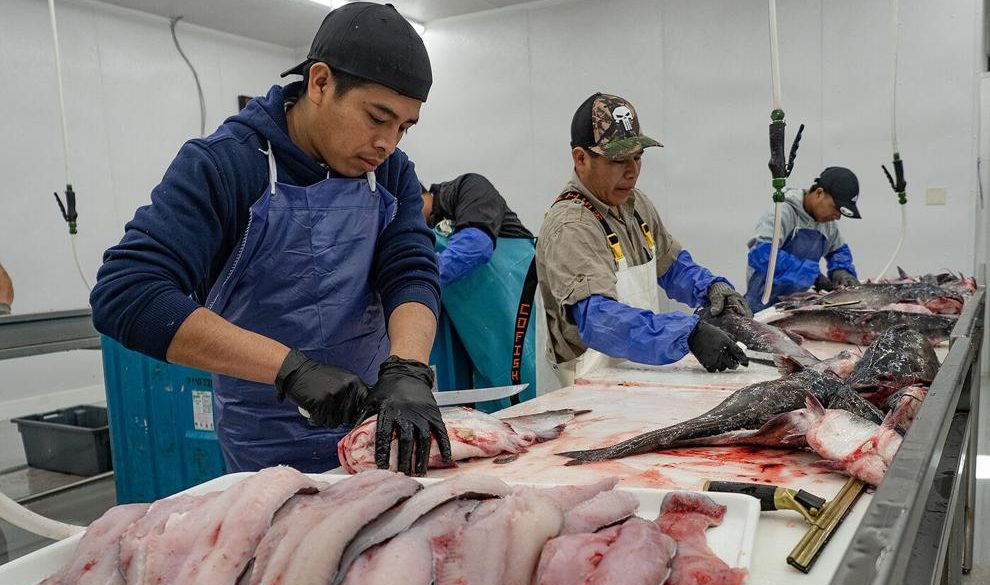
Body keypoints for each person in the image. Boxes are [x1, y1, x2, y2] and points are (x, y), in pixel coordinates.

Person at [89, 3, 451, 476]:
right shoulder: (225, 166)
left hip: (376, 430)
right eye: (377, 118)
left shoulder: (390, 173)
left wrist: (407, 368)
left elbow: (410, 269)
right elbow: (126, 292)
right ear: (319, 83)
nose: (388, 143)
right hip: (267, 443)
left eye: (403, 127)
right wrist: (291, 370)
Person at [537, 92, 750, 387]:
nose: (632, 172)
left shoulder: (635, 205)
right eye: (618, 160)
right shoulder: (572, 225)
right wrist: (687, 333)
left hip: (634, 380)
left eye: (637, 158)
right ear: (581, 158)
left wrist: (710, 287)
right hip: (586, 392)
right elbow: (598, 320)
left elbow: (671, 266)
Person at [421, 175, 536, 408]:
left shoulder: (468, 187)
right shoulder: (418, 238)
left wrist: (413, 280)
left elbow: (475, 246)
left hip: (518, 319)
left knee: (529, 402)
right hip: (476, 348)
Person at [744, 166, 862, 312]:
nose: (837, 217)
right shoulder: (783, 212)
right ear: (819, 193)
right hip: (761, 305)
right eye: (835, 208)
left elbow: (838, 252)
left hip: (797, 305)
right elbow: (762, 255)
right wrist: (813, 276)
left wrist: (842, 272)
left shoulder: (828, 224)